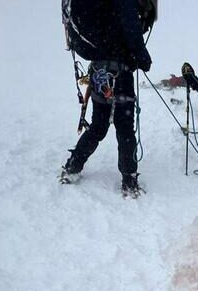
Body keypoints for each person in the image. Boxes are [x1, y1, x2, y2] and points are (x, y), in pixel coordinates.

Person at [59, 0, 154, 198]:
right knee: (125, 127)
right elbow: (131, 28)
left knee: (99, 125)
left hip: (99, 71)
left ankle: (73, 166)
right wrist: (142, 56)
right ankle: (129, 180)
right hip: (120, 73)